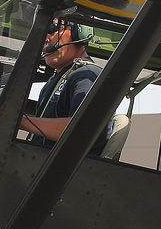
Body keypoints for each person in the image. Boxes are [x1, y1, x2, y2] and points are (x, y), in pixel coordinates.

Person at [20, 19, 106, 155]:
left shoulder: (86, 75)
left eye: (52, 29)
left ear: (79, 32)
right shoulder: (54, 81)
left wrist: (19, 122)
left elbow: (82, 130)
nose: (45, 39)